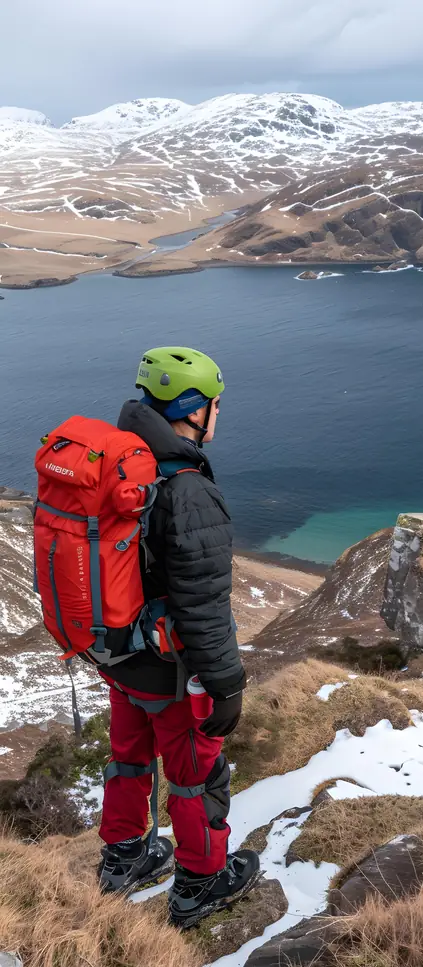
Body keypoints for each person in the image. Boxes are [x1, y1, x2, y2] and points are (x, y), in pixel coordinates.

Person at [97, 347, 260, 928]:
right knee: (197, 776)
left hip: (117, 654)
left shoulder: (119, 465)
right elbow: (204, 604)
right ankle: (201, 882)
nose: (218, 415)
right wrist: (225, 684)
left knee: (129, 756)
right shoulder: (187, 489)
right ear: (194, 410)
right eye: (215, 405)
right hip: (168, 667)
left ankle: (122, 859)